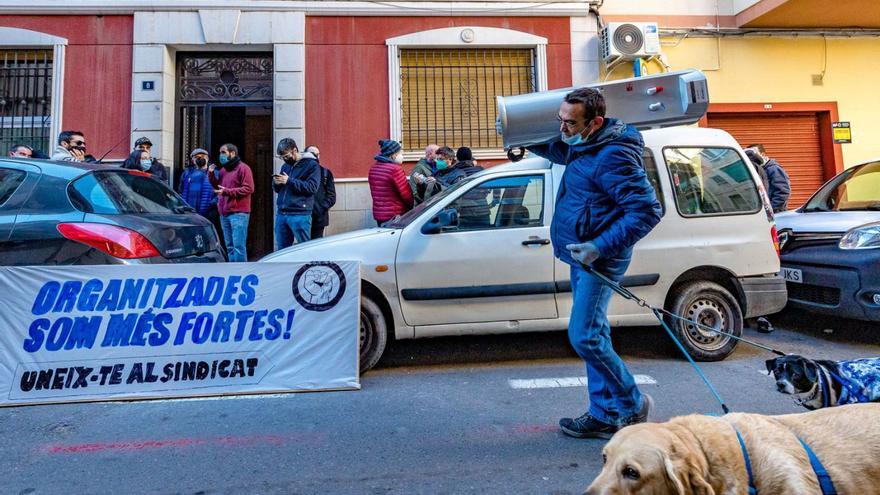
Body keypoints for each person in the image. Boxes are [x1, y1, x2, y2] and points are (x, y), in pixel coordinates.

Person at [526, 87, 662, 439]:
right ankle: (603, 413)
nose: (563, 129)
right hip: (582, 256)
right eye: (561, 120)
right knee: (595, 333)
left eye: (570, 123)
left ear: (595, 122)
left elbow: (647, 211)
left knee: (584, 336)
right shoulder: (584, 143)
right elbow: (557, 147)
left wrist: (598, 246)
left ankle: (632, 405)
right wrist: (520, 137)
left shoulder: (614, 155)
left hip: (601, 258)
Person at [209, 143, 254, 262]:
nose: (221, 155)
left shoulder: (244, 168)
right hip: (224, 213)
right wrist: (211, 174)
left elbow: (249, 188)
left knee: (238, 246)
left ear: (232, 153)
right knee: (229, 247)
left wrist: (227, 192)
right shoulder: (223, 170)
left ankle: (240, 272)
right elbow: (218, 186)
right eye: (220, 153)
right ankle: (233, 271)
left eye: (223, 152)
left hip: (238, 213)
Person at [272, 138, 320, 249]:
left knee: (304, 249)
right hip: (282, 213)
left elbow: (312, 187)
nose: (284, 159)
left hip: (300, 213)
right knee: (282, 250)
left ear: (294, 150)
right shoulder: (286, 166)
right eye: (281, 157)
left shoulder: (311, 165)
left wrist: (289, 181)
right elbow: (279, 190)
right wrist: (276, 183)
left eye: (286, 156)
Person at [368, 139, 413, 226]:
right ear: (392, 155)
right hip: (395, 215)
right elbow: (406, 194)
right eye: (399, 153)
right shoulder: (395, 169)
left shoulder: (374, 168)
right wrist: (412, 207)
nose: (401, 155)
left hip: (379, 214)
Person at [304, 145, 336, 240]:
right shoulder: (301, 172)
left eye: (317, 154)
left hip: (319, 218)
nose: (315, 156)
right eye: (312, 154)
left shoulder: (326, 173)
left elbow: (332, 196)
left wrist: (320, 209)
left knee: (316, 245)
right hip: (303, 216)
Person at [747, 144, 791, 213]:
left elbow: (783, 192)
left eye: (755, 154)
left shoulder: (773, 169)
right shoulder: (757, 169)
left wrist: (771, 209)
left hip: (776, 213)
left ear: (763, 154)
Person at [178, 148, 217, 218]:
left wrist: (211, 204)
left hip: (208, 212)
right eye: (196, 157)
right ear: (193, 160)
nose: (200, 158)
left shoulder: (215, 173)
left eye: (202, 156)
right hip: (189, 212)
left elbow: (221, 193)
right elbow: (180, 190)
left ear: (207, 158)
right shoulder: (187, 173)